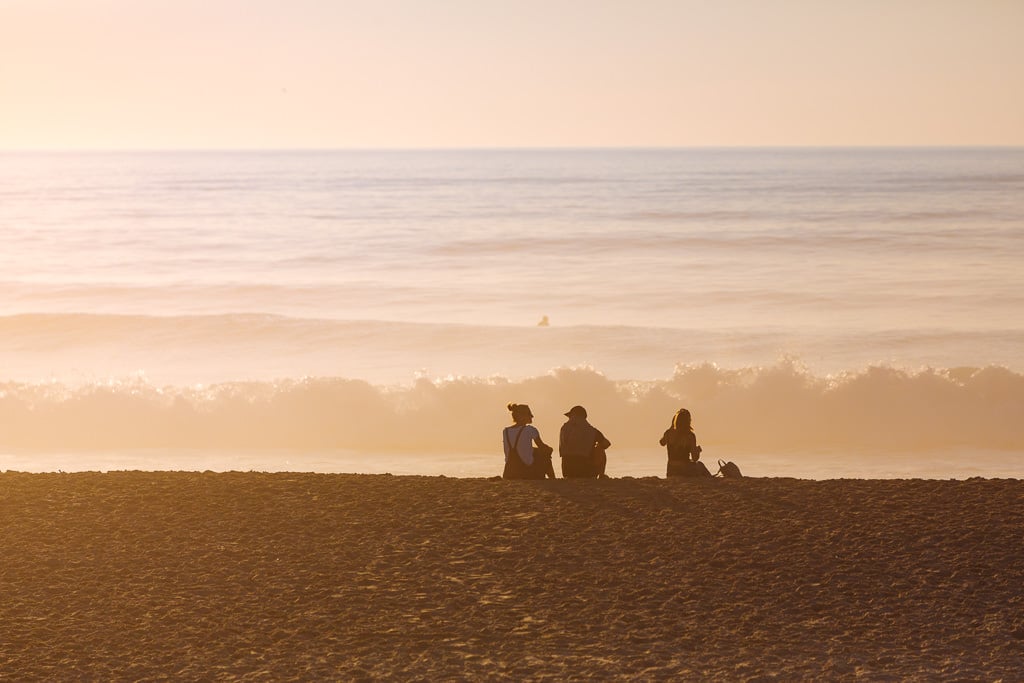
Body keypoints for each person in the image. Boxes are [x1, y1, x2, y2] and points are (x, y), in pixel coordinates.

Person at [503, 403, 555, 479]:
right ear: (521, 416)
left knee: (535, 451)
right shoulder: (530, 429)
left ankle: (553, 479)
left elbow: (520, 447)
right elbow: (542, 447)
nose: (532, 416)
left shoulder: (506, 431)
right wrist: (550, 449)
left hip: (509, 473)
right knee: (546, 453)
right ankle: (553, 478)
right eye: (529, 414)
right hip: (526, 472)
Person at [559, 405, 612, 478]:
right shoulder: (592, 431)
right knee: (600, 449)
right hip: (585, 472)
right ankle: (601, 475)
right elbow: (607, 444)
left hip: (567, 472)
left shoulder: (564, 429)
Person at [660, 408, 711, 477]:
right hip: (684, 471)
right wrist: (698, 450)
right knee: (700, 465)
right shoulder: (690, 436)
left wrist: (671, 427)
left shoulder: (669, 433)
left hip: (671, 471)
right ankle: (711, 479)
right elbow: (695, 458)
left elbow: (662, 443)